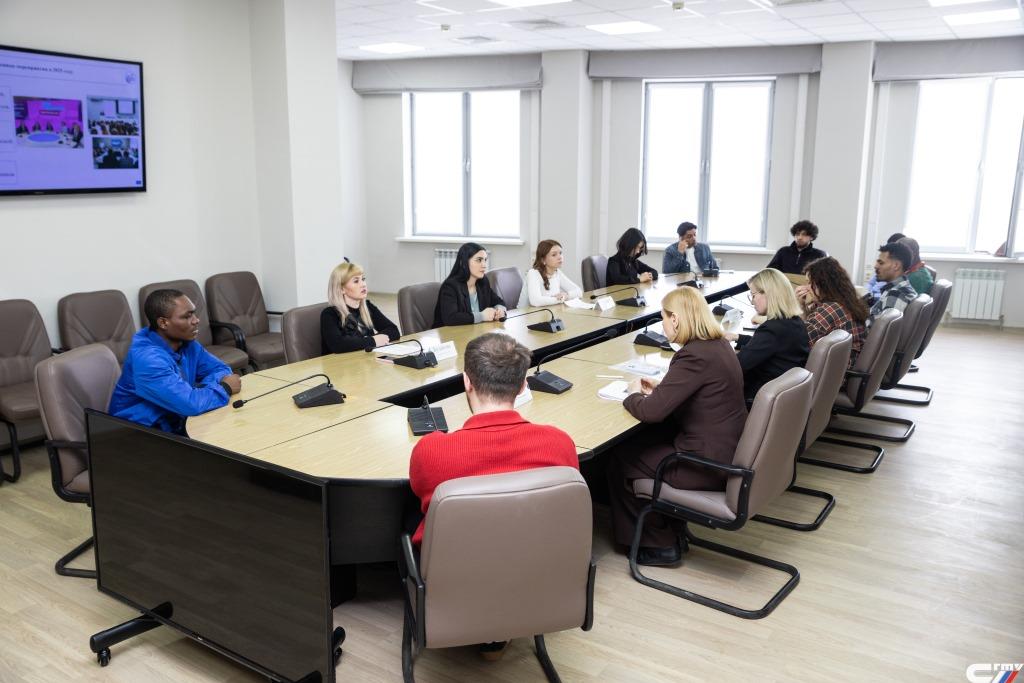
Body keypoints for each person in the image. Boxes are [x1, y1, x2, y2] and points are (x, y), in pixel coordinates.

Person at [606, 287, 747, 566]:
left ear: (676, 319)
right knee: (643, 443)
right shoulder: (718, 346)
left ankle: (658, 544)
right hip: (726, 450)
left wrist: (631, 395)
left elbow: (651, 412)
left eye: (663, 318)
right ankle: (672, 528)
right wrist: (664, 389)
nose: (663, 325)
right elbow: (700, 393)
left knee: (619, 458)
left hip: (704, 464)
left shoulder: (693, 355)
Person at [109, 289, 240, 435]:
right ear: (163, 323)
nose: (196, 320)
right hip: (139, 433)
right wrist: (224, 388)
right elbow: (192, 405)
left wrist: (201, 393)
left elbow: (220, 369)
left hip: (175, 419)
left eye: (194, 313)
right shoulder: (148, 360)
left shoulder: (186, 343)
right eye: (187, 316)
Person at [730, 268, 809, 400]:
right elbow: (767, 346)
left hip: (760, 397)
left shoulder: (772, 329)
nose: (752, 301)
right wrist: (737, 337)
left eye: (753, 295)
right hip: (784, 396)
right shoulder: (794, 321)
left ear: (768, 294)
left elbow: (737, 365)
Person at [795, 257, 868, 369]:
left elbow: (799, 343)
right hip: (842, 370)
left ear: (823, 284)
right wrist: (803, 307)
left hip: (834, 373)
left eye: (810, 283)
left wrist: (797, 305)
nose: (806, 288)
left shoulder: (830, 309)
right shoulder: (847, 303)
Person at [321, 261, 400, 353]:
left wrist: (371, 340)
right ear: (342, 289)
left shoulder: (368, 307)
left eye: (363, 279)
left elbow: (393, 330)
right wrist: (373, 341)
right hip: (341, 362)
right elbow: (338, 345)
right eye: (356, 281)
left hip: (365, 359)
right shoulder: (330, 314)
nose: (363, 284)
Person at [433, 243, 507, 327]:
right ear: (464, 262)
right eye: (479, 260)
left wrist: (500, 310)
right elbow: (451, 318)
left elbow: (499, 301)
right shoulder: (450, 286)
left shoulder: (483, 282)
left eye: (485, 260)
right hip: (450, 333)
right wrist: (482, 316)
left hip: (476, 330)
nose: (484, 265)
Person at [868, 241, 918, 327]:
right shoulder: (901, 287)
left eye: (881, 263)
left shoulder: (896, 294)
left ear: (896, 266)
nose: (876, 266)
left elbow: (881, 331)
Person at [525, 239, 583, 306]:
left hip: (549, 310)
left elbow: (579, 292)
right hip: (528, 312)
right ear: (543, 260)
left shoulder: (557, 272)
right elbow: (536, 301)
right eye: (554, 255)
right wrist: (560, 299)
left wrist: (566, 295)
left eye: (560, 253)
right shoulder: (533, 273)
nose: (560, 257)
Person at [866, 232, 906, 298]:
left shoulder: (896, 291)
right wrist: (868, 293)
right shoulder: (882, 272)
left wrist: (873, 296)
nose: (875, 266)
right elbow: (870, 283)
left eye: (881, 263)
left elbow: (886, 296)